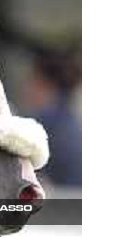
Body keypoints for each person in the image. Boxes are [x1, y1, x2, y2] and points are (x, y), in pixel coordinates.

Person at [23, 49, 82, 186]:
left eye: (31, 80)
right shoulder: (68, 120)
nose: (25, 88)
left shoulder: (43, 124)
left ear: (43, 83)